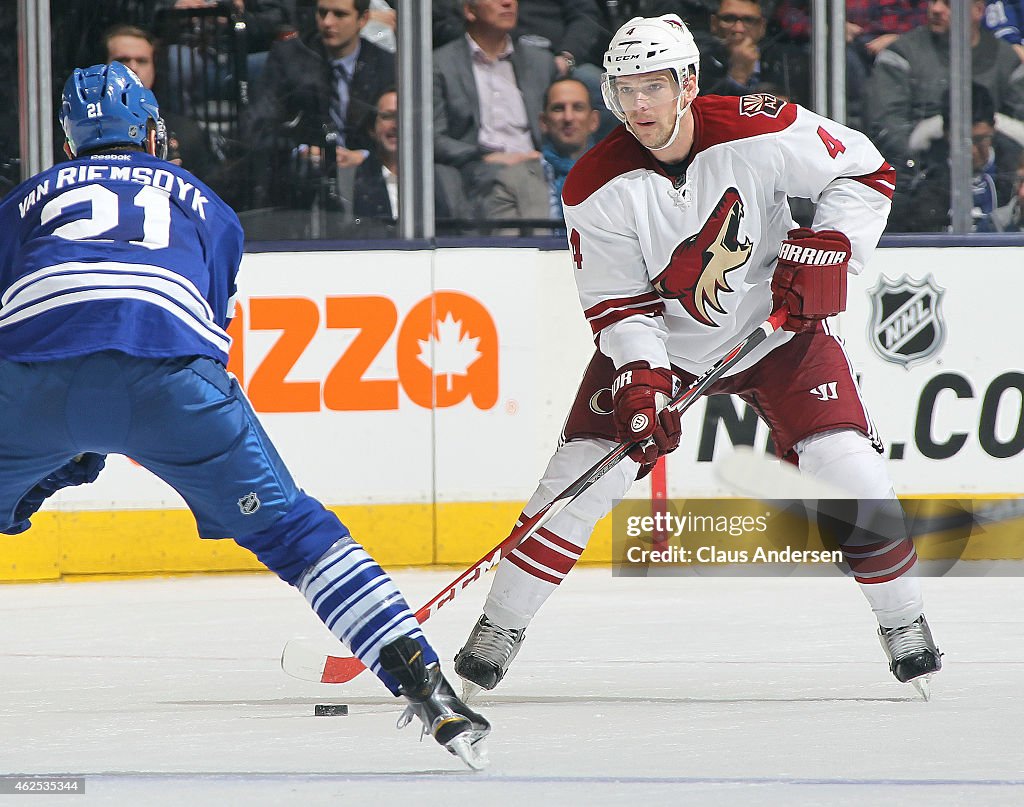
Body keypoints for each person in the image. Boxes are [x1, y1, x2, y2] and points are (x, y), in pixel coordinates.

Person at [0, 61, 489, 770]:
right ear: (150, 134)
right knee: (297, 535)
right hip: (170, 376)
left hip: (28, 383)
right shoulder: (204, 202)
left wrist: (52, 455)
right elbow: (203, 326)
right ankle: (430, 692)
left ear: (70, 144)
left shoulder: (21, 200)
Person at [454, 14, 942, 700]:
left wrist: (833, 245)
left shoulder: (760, 127)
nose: (640, 106)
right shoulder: (593, 184)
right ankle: (500, 628)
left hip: (777, 331)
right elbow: (619, 303)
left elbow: (865, 169)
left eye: (654, 86)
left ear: (688, 83)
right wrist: (643, 379)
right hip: (664, 349)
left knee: (851, 471)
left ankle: (903, 620)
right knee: (572, 482)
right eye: (626, 90)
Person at [248, 0, 395, 209]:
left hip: (366, 176)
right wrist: (300, 151)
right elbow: (258, 124)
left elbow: (399, 134)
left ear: (362, 19)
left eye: (339, 14)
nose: (327, 22)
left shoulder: (386, 65)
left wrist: (363, 156)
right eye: (322, 13)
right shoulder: (288, 58)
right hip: (301, 176)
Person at [866, 0, 1024, 177]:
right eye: (933, 1)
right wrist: (920, 163)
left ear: (978, 11)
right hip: (917, 177)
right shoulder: (901, 53)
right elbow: (887, 125)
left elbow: (1020, 124)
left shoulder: (1007, 59)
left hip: (995, 174)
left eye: (948, 4)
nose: (936, 9)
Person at [432, 0, 557, 215]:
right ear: (470, 11)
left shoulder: (540, 63)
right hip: (478, 168)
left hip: (538, 163)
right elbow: (432, 137)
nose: (508, 3)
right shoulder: (439, 64)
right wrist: (484, 156)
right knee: (517, 180)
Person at [892, 83, 1022, 232]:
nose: (972, 151)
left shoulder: (1015, 174)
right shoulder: (923, 177)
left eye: (980, 139)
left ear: (993, 128)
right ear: (946, 133)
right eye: (962, 141)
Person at [481, 76, 600, 232]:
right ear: (543, 121)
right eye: (559, 108)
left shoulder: (617, 180)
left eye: (578, 107)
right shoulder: (511, 181)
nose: (568, 117)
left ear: (594, 121)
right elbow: (507, 251)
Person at [104, 24, 215, 182]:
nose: (133, 68)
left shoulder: (187, 132)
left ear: (155, 68)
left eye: (142, 61)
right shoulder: (78, 129)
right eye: (122, 61)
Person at [695, 0, 811, 106]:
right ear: (714, 23)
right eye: (729, 19)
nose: (738, 29)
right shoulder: (698, 61)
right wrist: (738, 76)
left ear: (762, 26)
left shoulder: (789, 61)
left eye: (748, 20)